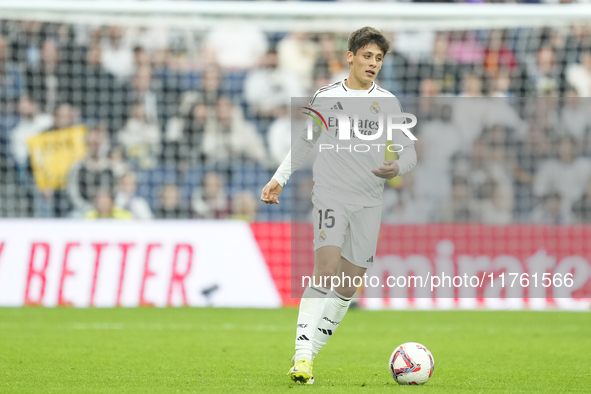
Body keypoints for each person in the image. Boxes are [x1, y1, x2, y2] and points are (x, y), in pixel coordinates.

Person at [260, 27, 417, 385]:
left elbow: (408, 153)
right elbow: (305, 142)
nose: (373, 63)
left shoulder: (389, 103)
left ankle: (308, 357)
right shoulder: (328, 96)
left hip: (369, 200)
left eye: (378, 58)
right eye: (367, 56)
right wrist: (279, 178)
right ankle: (301, 356)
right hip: (331, 194)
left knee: (347, 287)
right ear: (350, 56)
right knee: (326, 270)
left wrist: (398, 167)